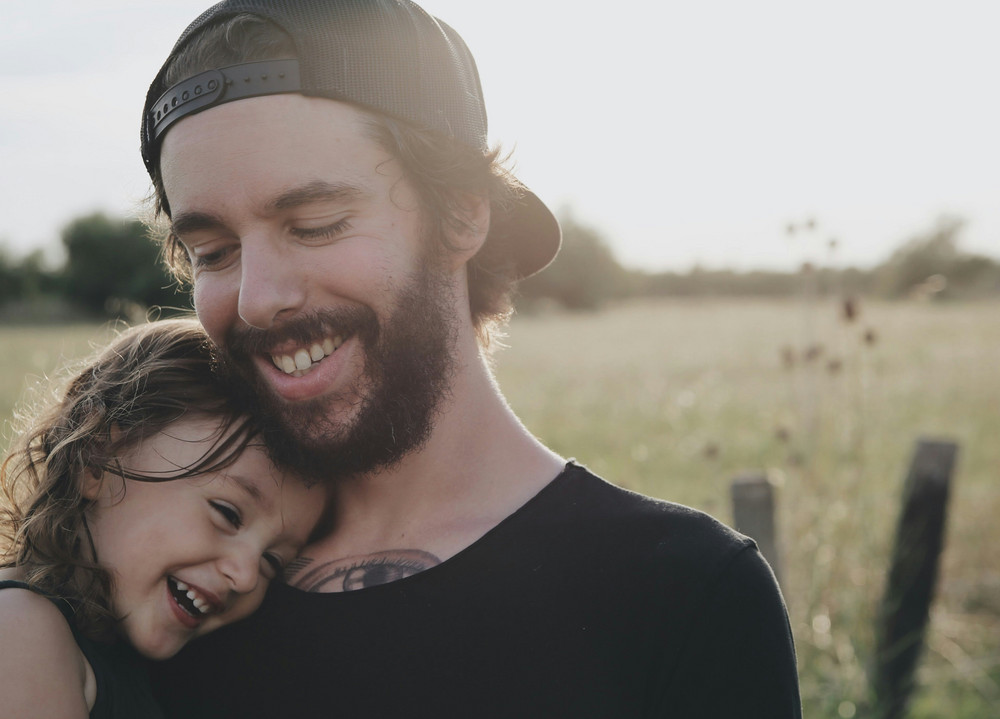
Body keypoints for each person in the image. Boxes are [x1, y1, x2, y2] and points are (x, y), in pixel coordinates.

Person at [142, 1, 803, 716]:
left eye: (315, 224)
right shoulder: (172, 586)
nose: (256, 300)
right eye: (213, 252)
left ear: (461, 215)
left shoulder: (680, 595)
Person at [0, 318, 325, 718]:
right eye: (226, 513)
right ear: (96, 456)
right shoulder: (20, 630)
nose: (245, 575)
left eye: (272, 562)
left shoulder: (120, 656)